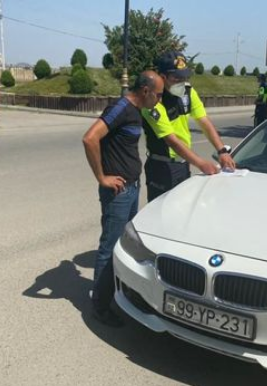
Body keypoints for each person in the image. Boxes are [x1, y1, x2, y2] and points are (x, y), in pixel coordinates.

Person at [82, 70, 164, 327]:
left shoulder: (137, 110)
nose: (159, 100)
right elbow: (90, 138)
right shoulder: (121, 108)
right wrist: (102, 177)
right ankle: (100, 307)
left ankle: (113, 295)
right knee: (109, 247)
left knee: (123, 245)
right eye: (158, 95)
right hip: (117, 192)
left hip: (131, 188)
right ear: (145, 91)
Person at [141, 51, 235, 202]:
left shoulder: (188, 93)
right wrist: (201, 163)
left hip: (183, 164)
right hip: (162, 167)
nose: (182, 82)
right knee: (161, 214)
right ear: (163, 77)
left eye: (184, 77)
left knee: (183, 209)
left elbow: (204, 122)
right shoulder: (153, 101)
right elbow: (171, 140)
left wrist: (222, 151)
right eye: (177, 78)